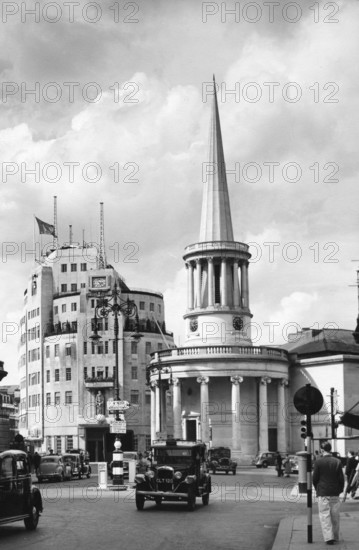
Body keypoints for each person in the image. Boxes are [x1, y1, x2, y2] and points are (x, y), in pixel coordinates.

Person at [313, 441, 344, 545]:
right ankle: (335, 536)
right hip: (335, 492)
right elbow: (341, 478)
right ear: (330, 449)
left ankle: (329, 537)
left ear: (322, 450)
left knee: (324, 514)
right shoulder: (337, 461)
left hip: (323, 492)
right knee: (335, 515)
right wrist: (340, 489)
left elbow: (315, 478)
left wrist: (317, 488)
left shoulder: (318, 462)